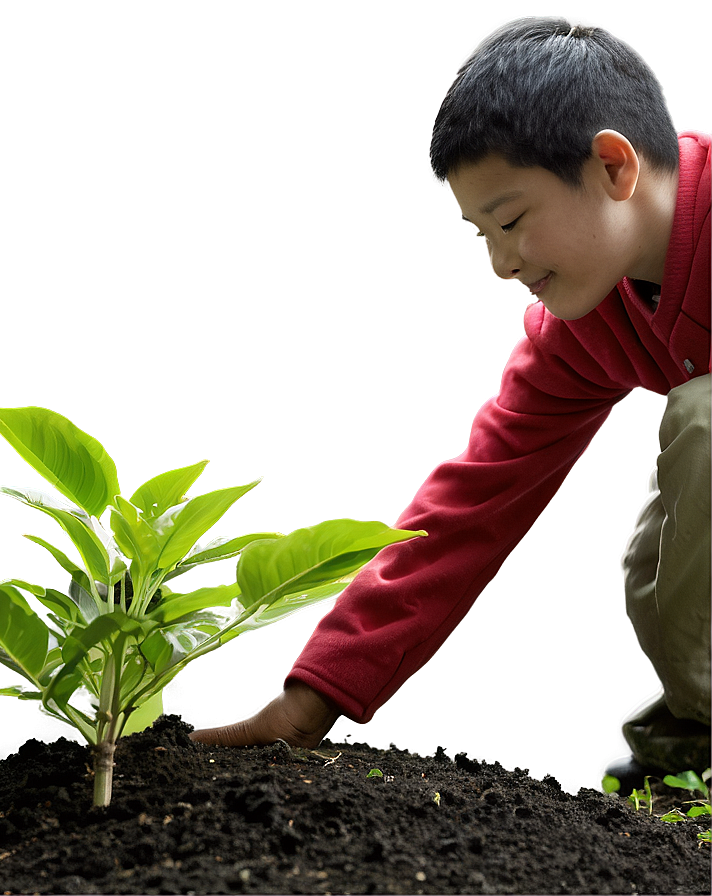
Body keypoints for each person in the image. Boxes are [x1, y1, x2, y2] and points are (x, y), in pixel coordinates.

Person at [191, 16, 711, 786]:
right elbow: (472, 504)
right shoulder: (585, 323)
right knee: (658, 564)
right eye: (478, 234)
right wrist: (314, 698)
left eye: (511, 221)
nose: (501, 262)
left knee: (702, 423)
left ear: (612, 166)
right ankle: (698, 744)